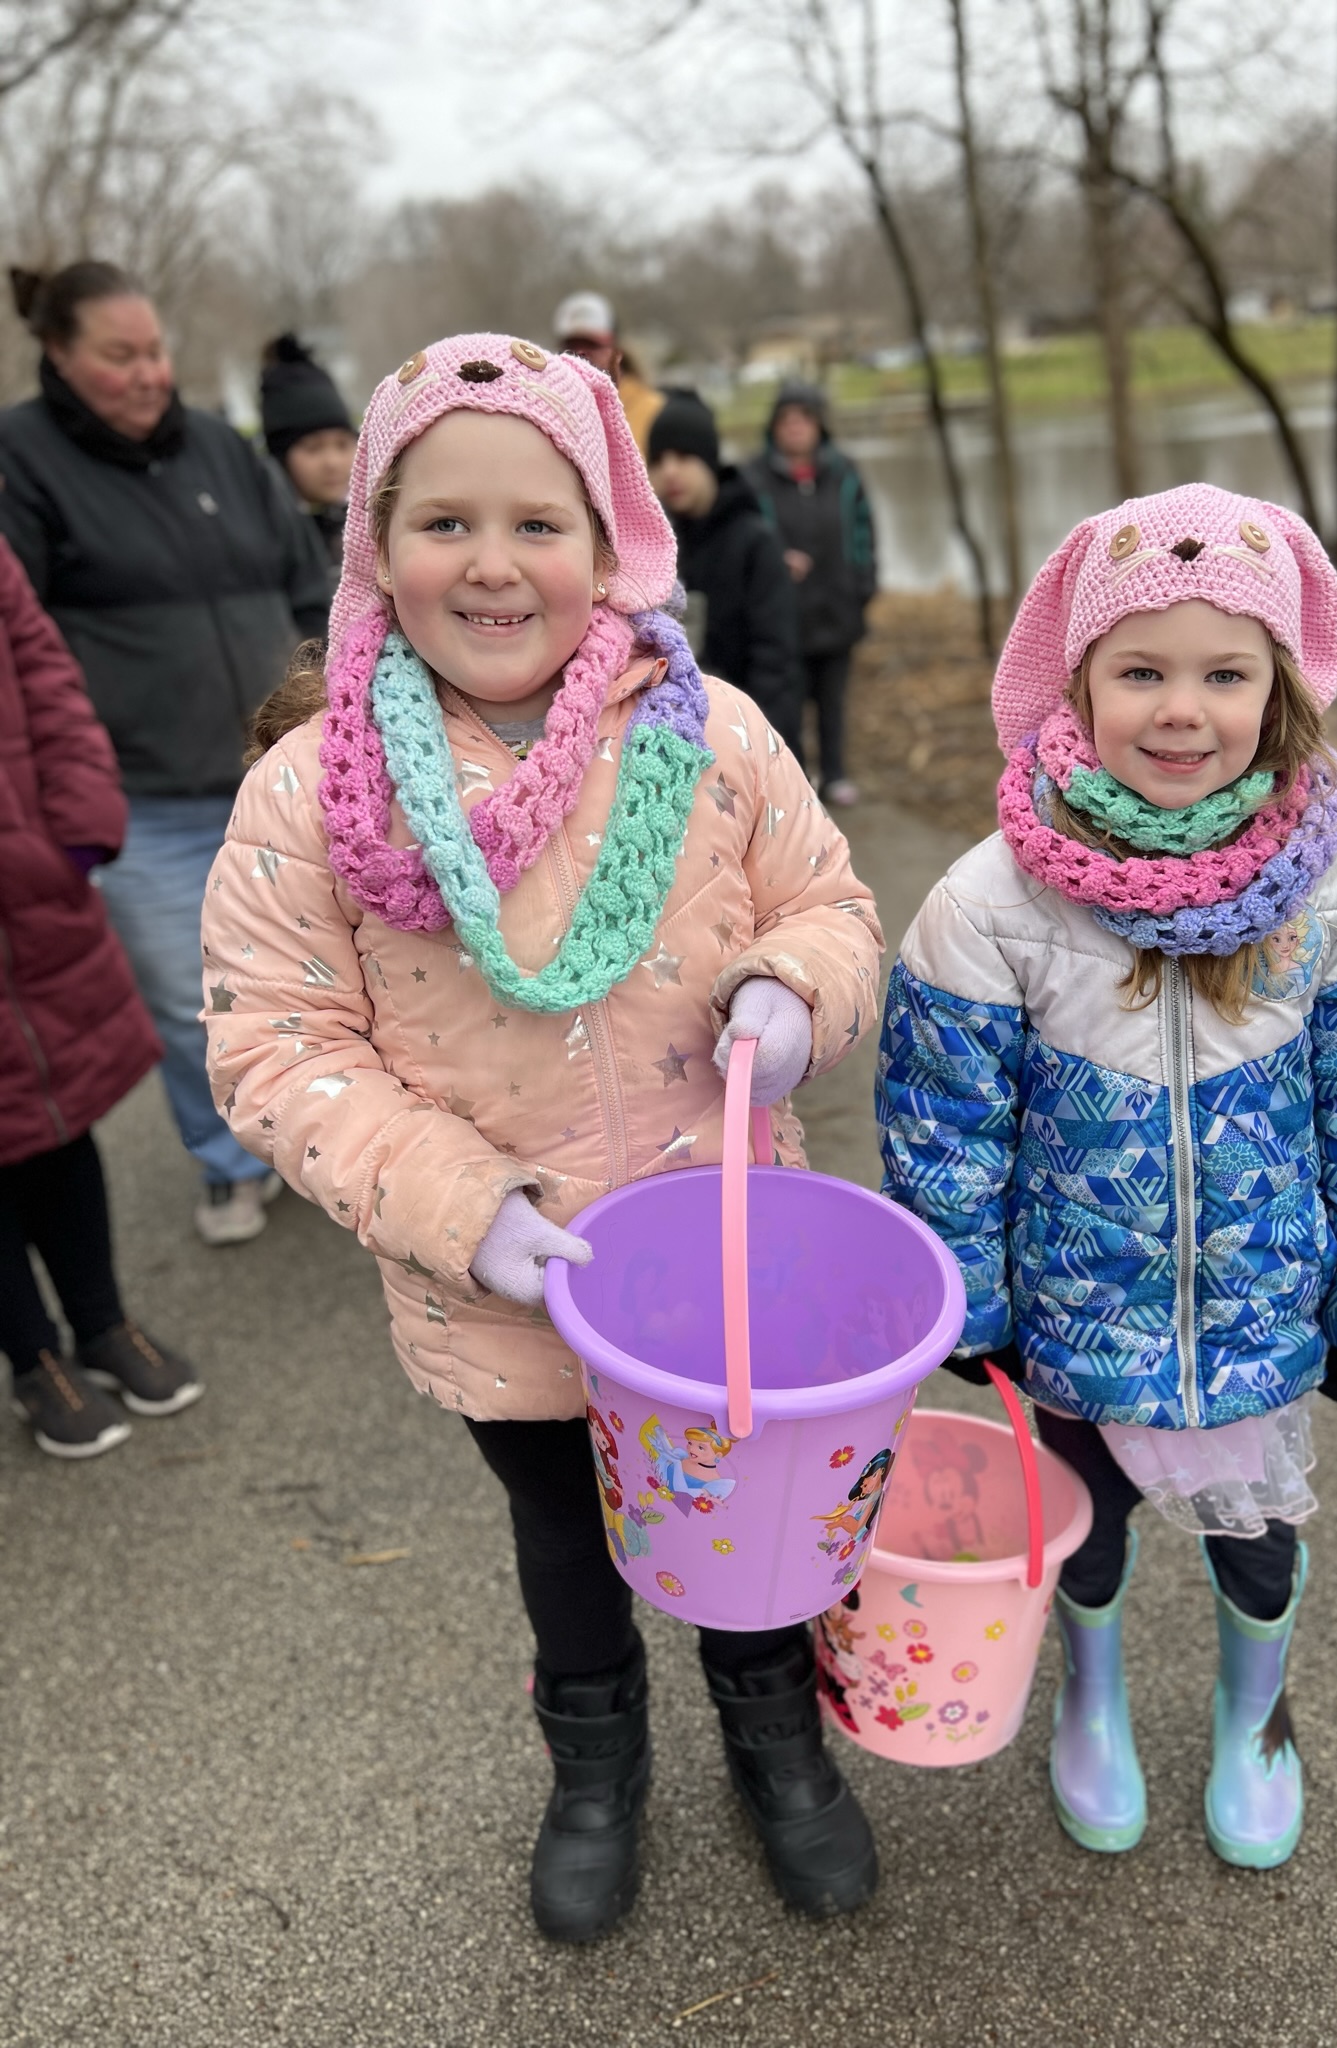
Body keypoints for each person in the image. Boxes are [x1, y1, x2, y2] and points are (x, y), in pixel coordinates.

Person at [200, 334, 884, 1941]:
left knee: (751, 1526)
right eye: (445, 524)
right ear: (377, 546)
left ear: (614, 544)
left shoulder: (711, 739)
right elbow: (278, 1041)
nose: (494, 565)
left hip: (728, 1273)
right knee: (564, 1543)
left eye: (538, 523)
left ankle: (774, 1737)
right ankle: (595, 1769)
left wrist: (798, 986)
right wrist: (455, 1201)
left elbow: (831, 905)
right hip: (499, 1293)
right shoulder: (312, 793)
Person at [877, 484, 1337, 1871]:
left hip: (1263, 1308)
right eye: (1142, 671)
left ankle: (1258, 1719)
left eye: (1224, 673)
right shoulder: (990, 903)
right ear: (1076, 683)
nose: (1182, 710)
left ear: (1282, 687)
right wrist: (972, 1305)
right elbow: (944, 1124)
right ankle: (1090, 1696)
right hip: (1074, 1322)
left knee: (1254, 1546)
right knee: (1084, 1536)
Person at [0, 263, 332, 1246]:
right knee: (197, 998)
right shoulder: (21, 461)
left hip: (277, 776)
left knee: (315, 968)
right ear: (60, 355)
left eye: (156, 351)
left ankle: (328, 1132)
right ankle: (228, 1159)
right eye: (120, 355)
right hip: (146, 794)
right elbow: (25, 646)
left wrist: (335, 700)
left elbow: (307, 584)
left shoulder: (226, 456)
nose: (149, 373)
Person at [0, 534, 202, 1457]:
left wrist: (75, 835)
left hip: (32, 891)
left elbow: (44, 672)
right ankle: (34, 1357)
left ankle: (103, 1322)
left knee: (61, 1115)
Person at [745, 379, 876, 807]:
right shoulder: (754, 478)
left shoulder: (844, 473)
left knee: (832, 700)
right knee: (787, 700)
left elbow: (863, 534)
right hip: (783, 615)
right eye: (787, 419)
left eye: (804, 418)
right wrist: (777, 559)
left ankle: (836, 774)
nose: (796, 427)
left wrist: (863, 585)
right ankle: (794, 781)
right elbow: (747, 536)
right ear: (774, 427)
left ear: (819, 425)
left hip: (837, 608)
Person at [648, 387, 802, 747]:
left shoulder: (755, 542)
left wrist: (761, 745)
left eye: (684, 456)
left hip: (748, 737)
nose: (669, 471)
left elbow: (776, 663)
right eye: (657, 459)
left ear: (710, 460)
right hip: (673, 738)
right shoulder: (652, 548)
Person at [259, 332, 357, 568]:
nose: (332, 462)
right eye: (313, 449)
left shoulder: (372, 528)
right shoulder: (267, 541)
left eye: (343, 444)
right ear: (280, 457)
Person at [552, 290, 663, 453]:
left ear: (615, 347)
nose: (581, 353)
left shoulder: (654, 410)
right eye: (571, 345)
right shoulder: (553, 407)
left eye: (593, 344)